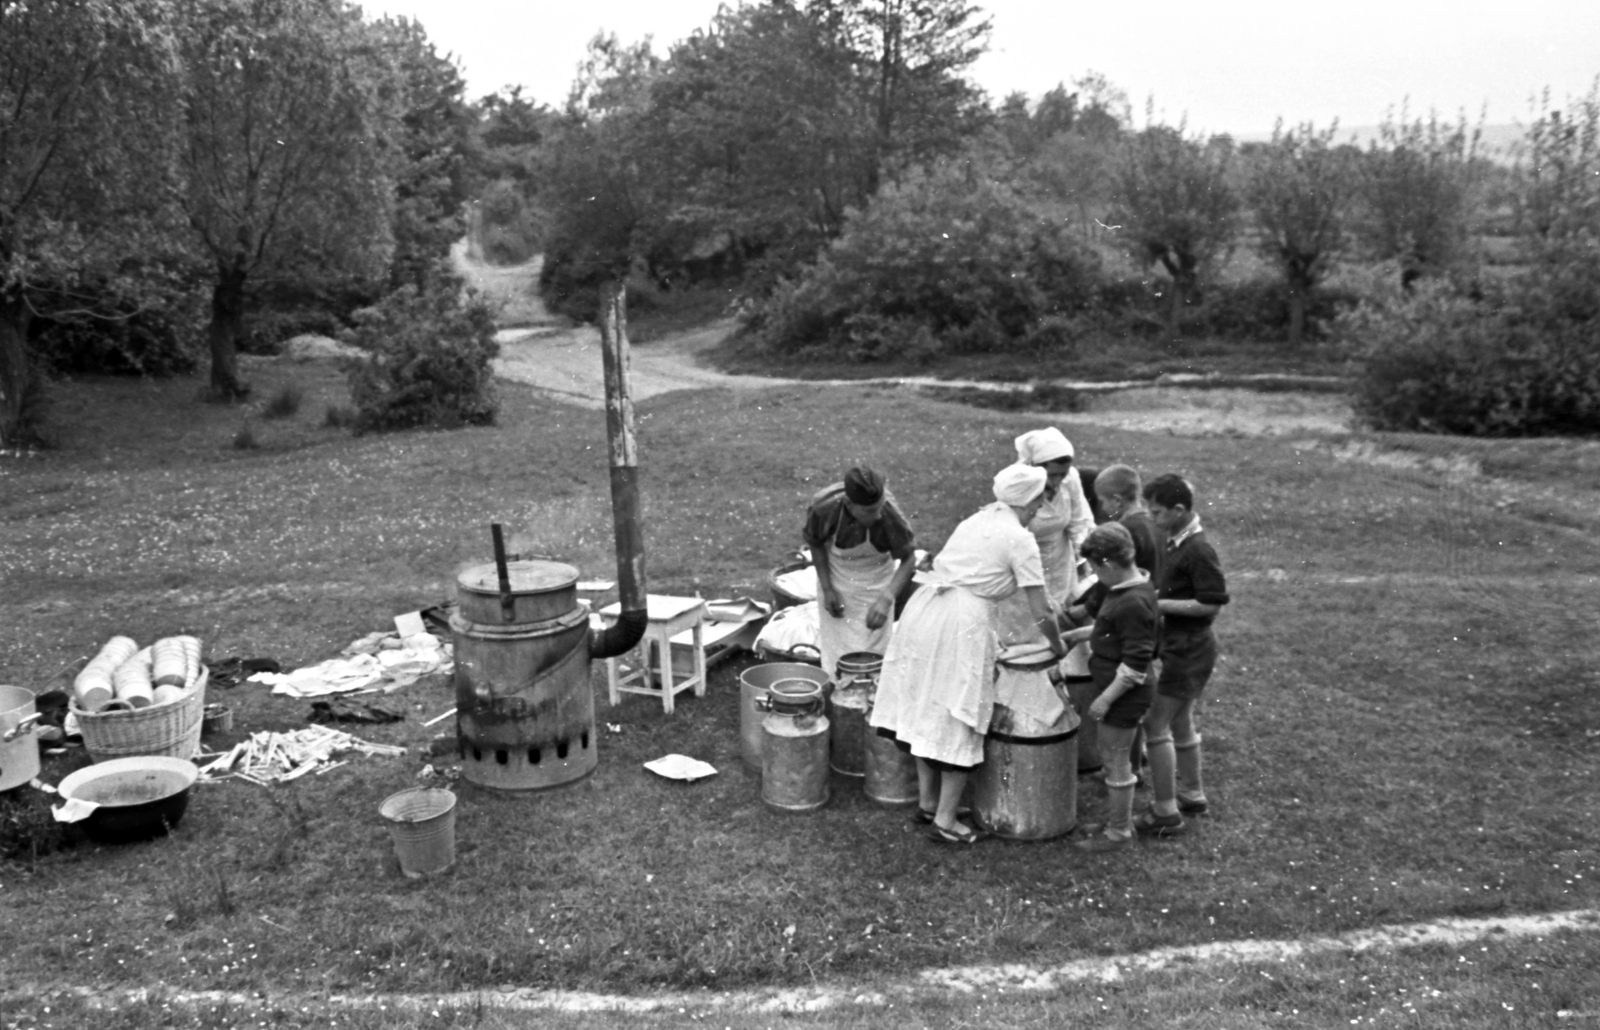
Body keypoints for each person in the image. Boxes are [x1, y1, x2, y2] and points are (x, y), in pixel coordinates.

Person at [870, 463, 1067, 845]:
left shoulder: (976, 520)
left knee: (925, 706)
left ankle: (929, 803)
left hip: (925, 611)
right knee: (959, 714)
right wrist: (1058, 647)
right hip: (960, 621)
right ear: (1028, 501)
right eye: (1039, 502)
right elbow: (1040, 609)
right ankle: (946, 820)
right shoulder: (1018, 538)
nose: (1040, 509)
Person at [1135, 473, 1231, 837]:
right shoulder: (1176, 540)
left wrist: (1158, 604)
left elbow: (1210, 605)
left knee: (1155, 725)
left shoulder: (1199, 549)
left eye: (1157, 512)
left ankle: (1165, 811)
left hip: (1189, 650)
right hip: (1182, 648)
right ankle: (1192, 793)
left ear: (1179, 510)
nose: (1152, 518)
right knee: (1181, 722)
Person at [1062, 522, 1159, 853]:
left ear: (1108, 564)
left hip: (1124, 697)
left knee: (1116, 762)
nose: (1095, 577)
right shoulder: (1129, 591)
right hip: (1120, 693)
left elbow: (1134, 666)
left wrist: (1104, 700)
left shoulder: (1132, 602)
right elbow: (1111, 634)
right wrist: (1075, 636)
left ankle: (1119, 832)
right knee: (1113, 758)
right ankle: (1118, 821)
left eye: (1095, 569)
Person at [801, 465, 918, 682]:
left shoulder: (889, 514)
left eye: (879, 507)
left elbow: (909, 558)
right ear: (848, 504)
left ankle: (875, 707)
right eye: (868, 512)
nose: (877, 515)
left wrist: (886, 599)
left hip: (878, 585)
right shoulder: (824, 509)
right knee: (836, 658)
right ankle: (837, 702)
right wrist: (827, 589)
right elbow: (815, 544)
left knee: (876, 661)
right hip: (838, 580)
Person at [999, 428, 1093, 641]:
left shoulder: (1071, 479)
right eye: (1053, 475)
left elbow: (1080, 522)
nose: (1059, 480)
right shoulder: (1015, 486)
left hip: (1060, 565)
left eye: (1063, 473)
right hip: (1025, 571)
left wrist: (1086, 552)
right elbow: (1010, 540)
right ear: (1034, 468)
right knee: (1031, 634)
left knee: (1066, 631)